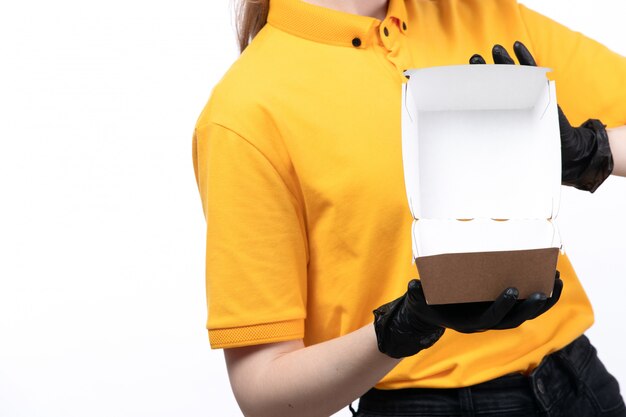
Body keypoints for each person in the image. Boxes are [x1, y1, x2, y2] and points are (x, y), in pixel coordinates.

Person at [192, 0, 626, 415]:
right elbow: (262, 392)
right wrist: (399, 331)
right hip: (414, 405)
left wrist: (592, 150)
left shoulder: (480, 14)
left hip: (578, 384)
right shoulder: (244, 113)